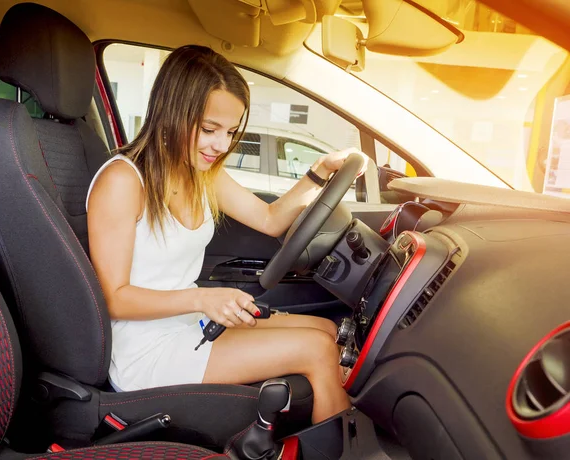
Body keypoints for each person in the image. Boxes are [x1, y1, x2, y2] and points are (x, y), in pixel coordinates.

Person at [86, 45, 367, 424]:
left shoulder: (202, 174)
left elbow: (270, 219)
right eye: (209, 129)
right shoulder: (122, 181)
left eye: (231, 131)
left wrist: (318, 173)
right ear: (173, 112)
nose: (221, 145)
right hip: (144, 352)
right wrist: (204, 299)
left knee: (326, 329)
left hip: (190, 326)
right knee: (316, 349)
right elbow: (115, 300)